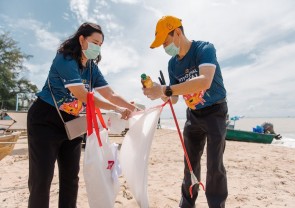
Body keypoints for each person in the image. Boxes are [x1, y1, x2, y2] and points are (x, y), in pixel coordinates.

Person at [27, 22, 136, 208]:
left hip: (74, 123)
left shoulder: (92, 68)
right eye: (95, 42)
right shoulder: (65, 59)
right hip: (45, 119)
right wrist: (117, 110)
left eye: (101, 45)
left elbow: (110, 94)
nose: (98, 47)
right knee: (41, 179)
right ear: (81, 39)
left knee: (71, 178)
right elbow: (82, 95)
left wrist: (133, 109)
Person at [143, 16, 228, 208]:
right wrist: (158, 92)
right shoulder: (173, 64)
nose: (164, 47)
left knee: (215, 165)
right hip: (194, 115)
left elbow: (205, 80)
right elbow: (173, 97)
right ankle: (187, 203)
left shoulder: (204, 49)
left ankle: (216, 205)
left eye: (165, 41)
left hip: (216, 111)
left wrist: (165, 89)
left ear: (178, 33)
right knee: (190, 164)